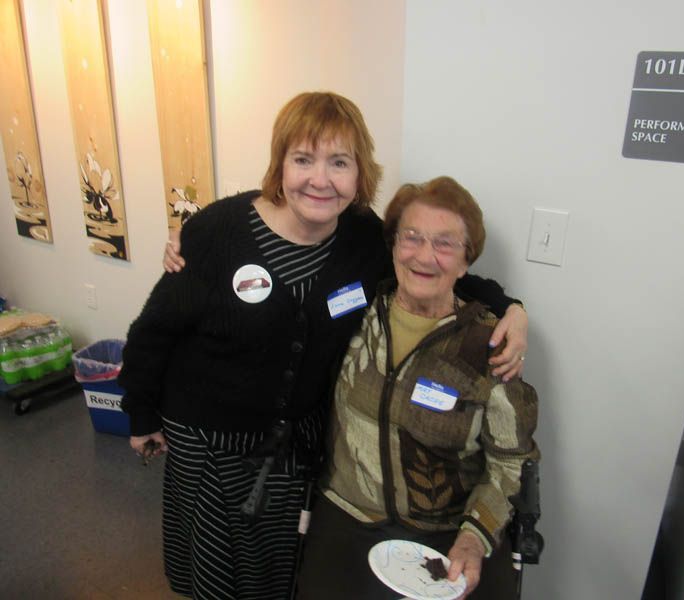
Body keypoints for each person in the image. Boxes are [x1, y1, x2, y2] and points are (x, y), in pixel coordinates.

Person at [119, 92, 528, 600]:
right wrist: (140, 412)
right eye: (303, 159)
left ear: (359, 174)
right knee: (218, 579)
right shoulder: (216, 232)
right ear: (280, 165)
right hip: (210, 445)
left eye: (339, 162)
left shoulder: (362, 238)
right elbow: (153, 330)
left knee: (277, 576)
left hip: (295, 450)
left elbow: (435, 265)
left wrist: (512, 308)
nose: (320, 179)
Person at [295, 176, 540, 600]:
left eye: (445, 244)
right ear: (392, 246)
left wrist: (475, 535)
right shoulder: (354, 313)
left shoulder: (488, 345)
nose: (424, 256)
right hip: (347, 515)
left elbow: (512, 460)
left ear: (465, 262)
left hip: (447, 531)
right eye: (411, 237)